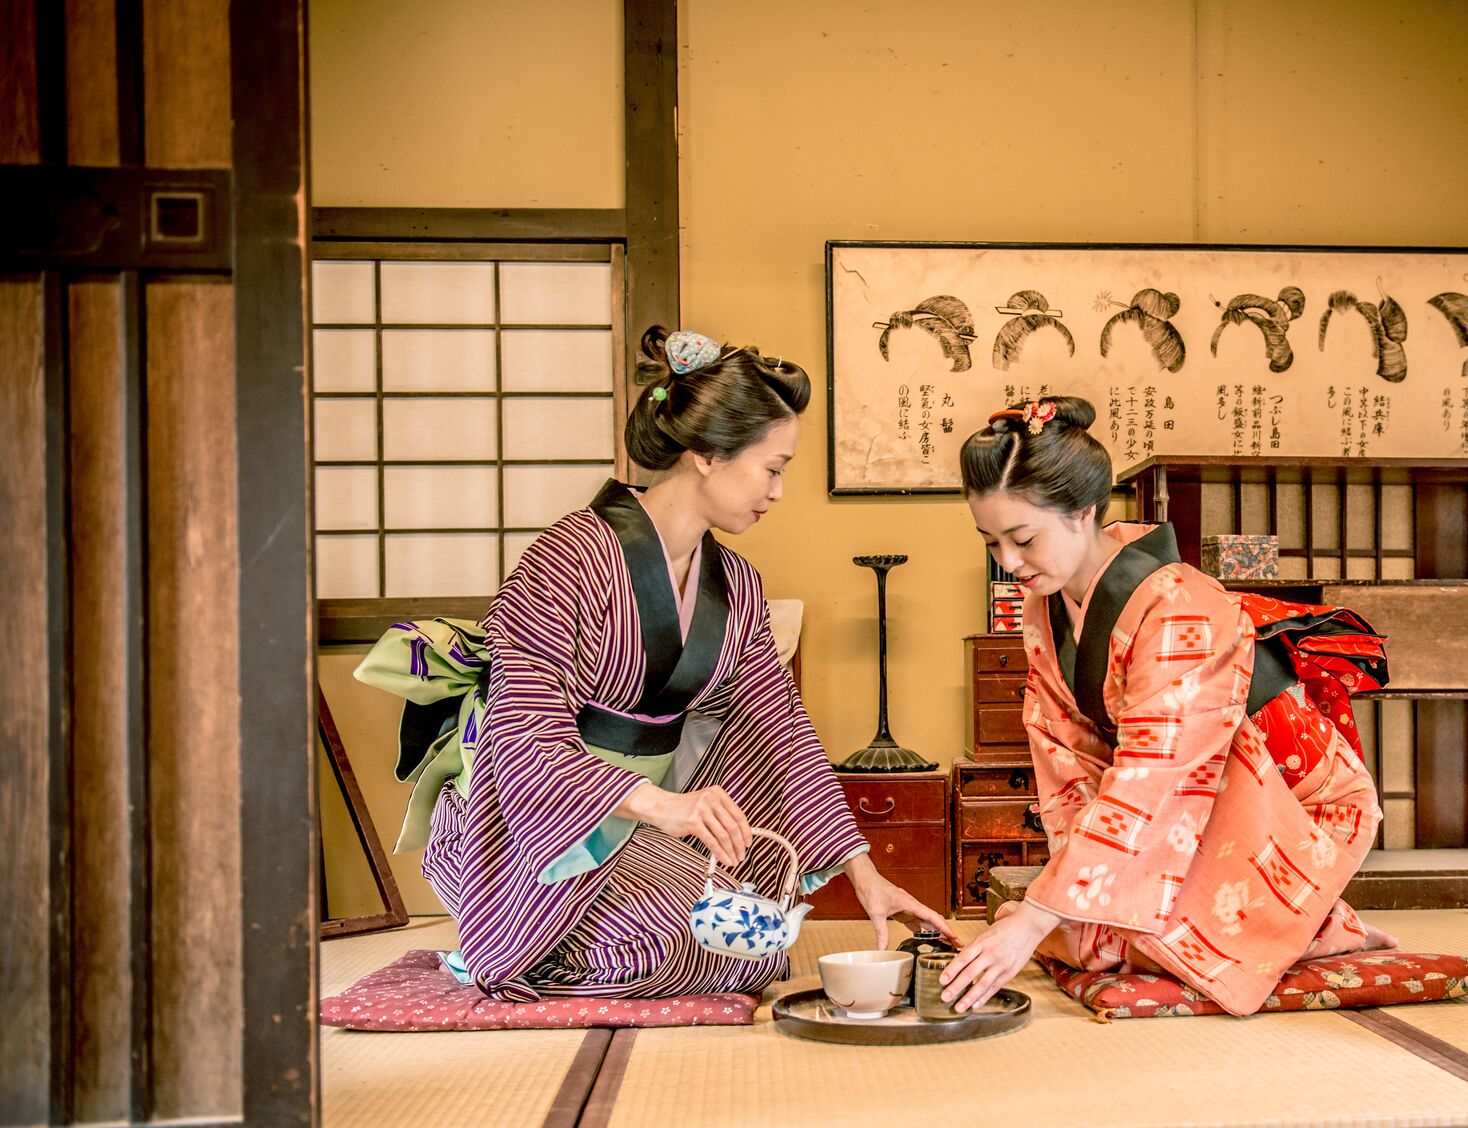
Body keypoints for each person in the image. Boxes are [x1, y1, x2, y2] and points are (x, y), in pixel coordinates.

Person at [357, 326, 951, 1002]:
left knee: (756, 941)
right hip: (530, 833)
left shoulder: (738, 585)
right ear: (705, 454)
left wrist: (863, 872)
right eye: (773, 467)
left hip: (640, 823)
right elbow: (521, 731)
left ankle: (621, 913)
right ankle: (513, 942)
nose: (779, 492)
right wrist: (663, 806)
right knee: (681, 941)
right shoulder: (567, 558)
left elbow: (781, 733)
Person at [940, 395, 1396, 1016]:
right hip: (1186, 799)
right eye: (991, 543)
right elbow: (1064, 748)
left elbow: (1158, 772)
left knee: (1091, 926)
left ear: (1084, 510)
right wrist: (1072, 889)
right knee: (1086, 927)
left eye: (1022, 539)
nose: (1009, 564)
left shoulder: (1181, 601)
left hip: (1281, 801)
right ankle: (1290, 925)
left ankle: (1318, 927)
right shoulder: (1045, 606)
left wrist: (1042, 911)